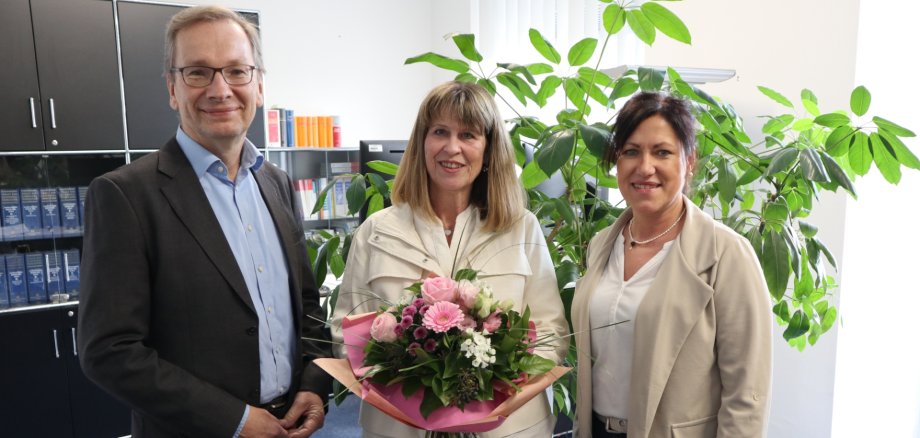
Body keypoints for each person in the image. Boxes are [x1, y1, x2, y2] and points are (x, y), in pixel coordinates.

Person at [77, 6, 331, 438]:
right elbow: (110, 351)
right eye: (198, 72)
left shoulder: (277, 184)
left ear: (259, 85)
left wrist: (313, 383)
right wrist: (234, 420)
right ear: (172, 89)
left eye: (237, 71)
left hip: (288, 425)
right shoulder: (125, 195)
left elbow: (306, 305)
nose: (220, 89)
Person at [330, 81, 570, 437]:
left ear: (488, 149)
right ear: (422, 143)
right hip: (400, 427)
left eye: (468, 135)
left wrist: (489, 382)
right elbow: (344, 330)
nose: (452, 147)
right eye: (440, 132)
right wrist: (414, 376)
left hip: (507, 428)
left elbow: (551, 332)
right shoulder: (376, 231)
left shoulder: (521, 228)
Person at [571, 92, 772, 438]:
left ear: (689, 161)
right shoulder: (603, 243)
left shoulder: (727, 254)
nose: (644, 167)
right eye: (631, 151)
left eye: (662, 152)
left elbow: (747, 393)